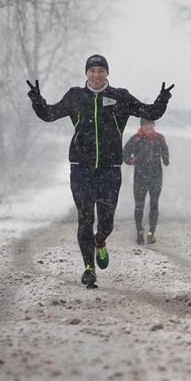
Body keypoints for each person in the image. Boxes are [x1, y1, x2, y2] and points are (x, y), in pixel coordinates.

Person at [26, 54, 174, 289]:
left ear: (107, 73)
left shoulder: (120, 97)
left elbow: (151, 112)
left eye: (101, 70)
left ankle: (100, 240)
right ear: (86, 73)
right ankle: (88, 268)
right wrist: (36, 99)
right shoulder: (76, 96)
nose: (96, 75)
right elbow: (49, 114)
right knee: (85, 217)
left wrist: (163, 98)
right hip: (81, 168)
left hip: (109, 169)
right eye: (92, 70)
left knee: (106, 222)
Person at [123, 118, 169, 245]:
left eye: (151, 124)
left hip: (156, 176)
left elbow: (165, 150)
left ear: (153, 125)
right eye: (146, 124)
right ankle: (139, 230)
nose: (148, 127)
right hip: (140, 177)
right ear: (142, 126)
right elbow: (125, 154)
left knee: (154, 204)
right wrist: (132, 160)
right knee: (139, 205)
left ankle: (151, 233)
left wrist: (165, 159)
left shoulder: (159, 138)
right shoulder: (136, 139)